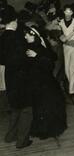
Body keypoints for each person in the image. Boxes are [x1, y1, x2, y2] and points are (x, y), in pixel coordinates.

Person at [23, 26, 67, 139]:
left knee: (44, 106)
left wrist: (37, 56)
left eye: (28, 35)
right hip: (35, 83)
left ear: (34, 36)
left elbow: (49, 64)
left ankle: (45, 130)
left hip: (44, 84)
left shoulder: (39, 48)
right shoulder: (28, 47)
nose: (25, 36)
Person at [1, 8, 33, 148]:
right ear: (14, 22)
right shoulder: (18, 38)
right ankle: (22, 141)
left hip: (9, 75)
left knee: (14, 106)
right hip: (21, 76)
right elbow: (23, 59)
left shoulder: (2, 37)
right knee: (27, 108)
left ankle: (10, 136)